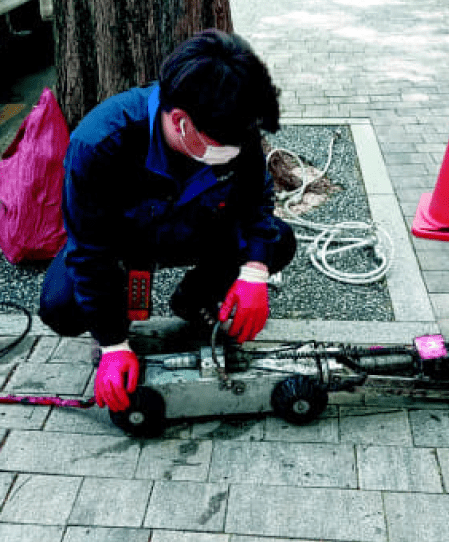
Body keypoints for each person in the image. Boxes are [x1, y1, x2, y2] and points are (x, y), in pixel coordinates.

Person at [39, 29, 296, 412]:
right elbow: (89, 249)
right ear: (180, 121)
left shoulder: (232, 127)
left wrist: (255, 272)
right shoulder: (99, 143)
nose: (236, 152)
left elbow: (257, 202)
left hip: (197, 229)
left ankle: (195, 299)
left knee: (279, 241)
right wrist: (113, 344)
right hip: (123, 245)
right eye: (223, 145)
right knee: (61, 305)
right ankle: (114, 320)